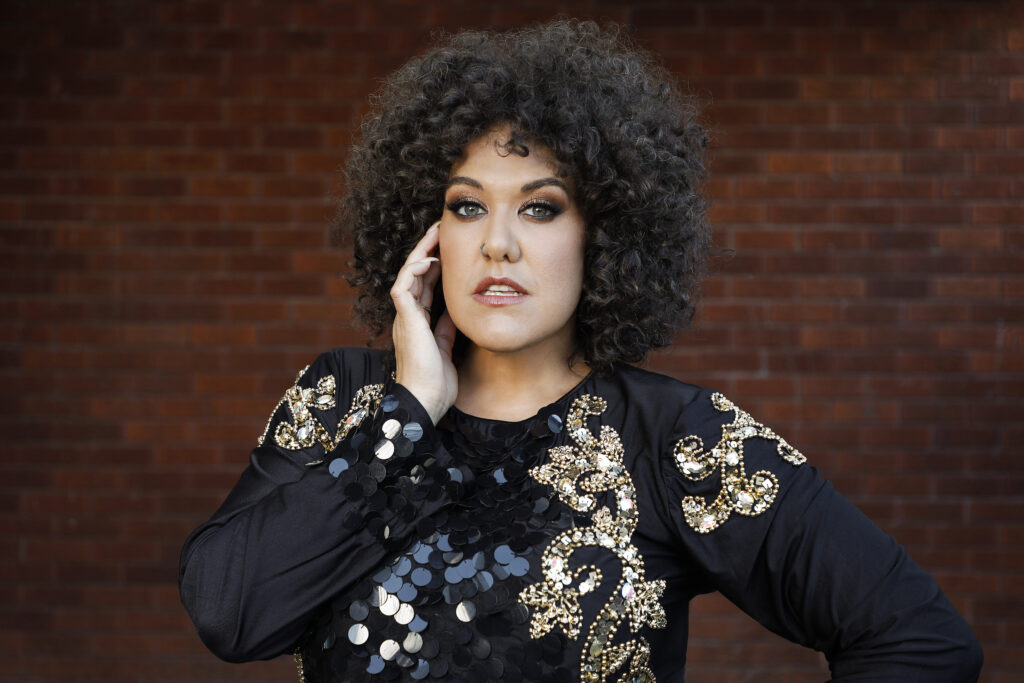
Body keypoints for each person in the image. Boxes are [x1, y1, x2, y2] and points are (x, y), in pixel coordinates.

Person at [179, 20, 983, 682]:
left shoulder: (672, 438)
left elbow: (921, 639)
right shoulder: (344, 401)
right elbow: (230, 613)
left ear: (604, 234)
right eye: (466, 206)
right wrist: (408, 411)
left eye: (540, 207)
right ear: (426, 235)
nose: (497, 244)